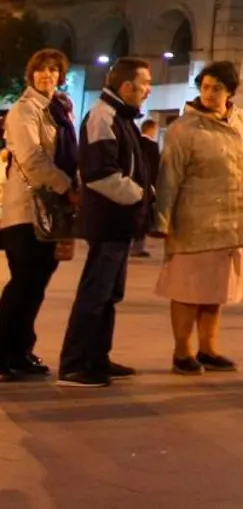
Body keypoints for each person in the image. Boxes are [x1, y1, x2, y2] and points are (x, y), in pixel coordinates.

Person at [150, 61, 243, 375]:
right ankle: (182, 351)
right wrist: (161, 221)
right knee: (187, 289)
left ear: (230, 91)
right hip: (195, 221)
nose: (209, 93)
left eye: (216, 87)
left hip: (235, 221)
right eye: (205, 87)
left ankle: (209, 348)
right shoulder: (184, 128)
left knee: (217, 290)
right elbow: (169, 178)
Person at [57, 56, 156, 388]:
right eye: (145, 84)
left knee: (109, 294)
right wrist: (140, 196)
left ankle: (97, 357)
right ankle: (74, 364)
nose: (148, 90)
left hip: (119, 221)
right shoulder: (103, 116)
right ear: (127, 86)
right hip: (108, 221)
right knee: (95, 293)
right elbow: (100, 173)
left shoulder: (121, 116)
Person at [1, 49, 78, 382]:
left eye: (54, 70)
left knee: (35, 286)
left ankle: (20, 350)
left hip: (51, 211)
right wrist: (67, 187)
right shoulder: (23, 111)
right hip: (25, 211)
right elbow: (32, 158)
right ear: (30, 74)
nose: (47, 75)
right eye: (41, 70)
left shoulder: (57, 111)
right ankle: (5, 354)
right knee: (23, 284)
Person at [131, 120, 161, 258]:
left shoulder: (135, 142)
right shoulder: (152, 146)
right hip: (147, 185)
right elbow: (155, 168)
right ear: (152, 130)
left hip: (132, 184)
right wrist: (154, 186)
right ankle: (138, 247)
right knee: (143, 217)